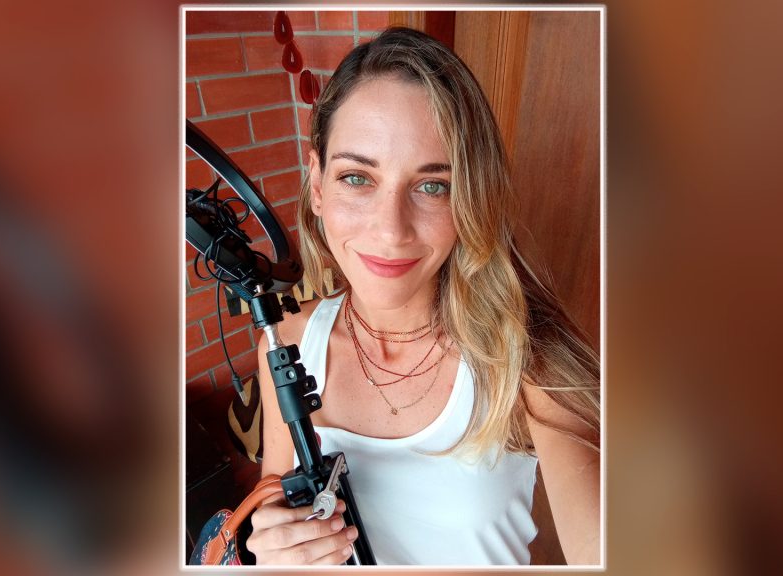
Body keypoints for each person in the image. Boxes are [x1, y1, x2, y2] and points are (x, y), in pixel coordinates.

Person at [246, 27, 600, 565]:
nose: (391, 231)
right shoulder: (287, 343)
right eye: (357, 178)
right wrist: (275, 541)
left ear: (472, 198)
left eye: (433, 185)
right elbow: (275, 486)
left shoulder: (526, 358)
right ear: (317, 185)